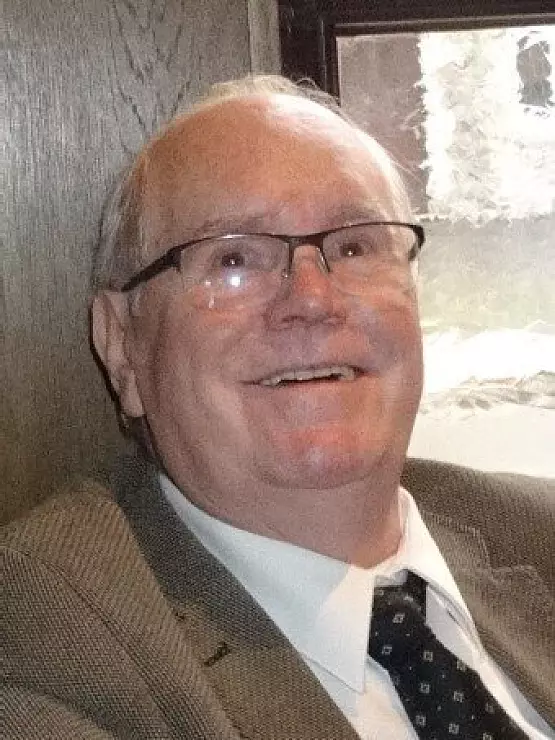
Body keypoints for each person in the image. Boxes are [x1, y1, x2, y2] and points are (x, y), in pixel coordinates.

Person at [2, 75, 554, 740]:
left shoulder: (536, 530)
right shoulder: (43, 641)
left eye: (354, 246)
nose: (313, 300)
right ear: (121, 343)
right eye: (233, 258)